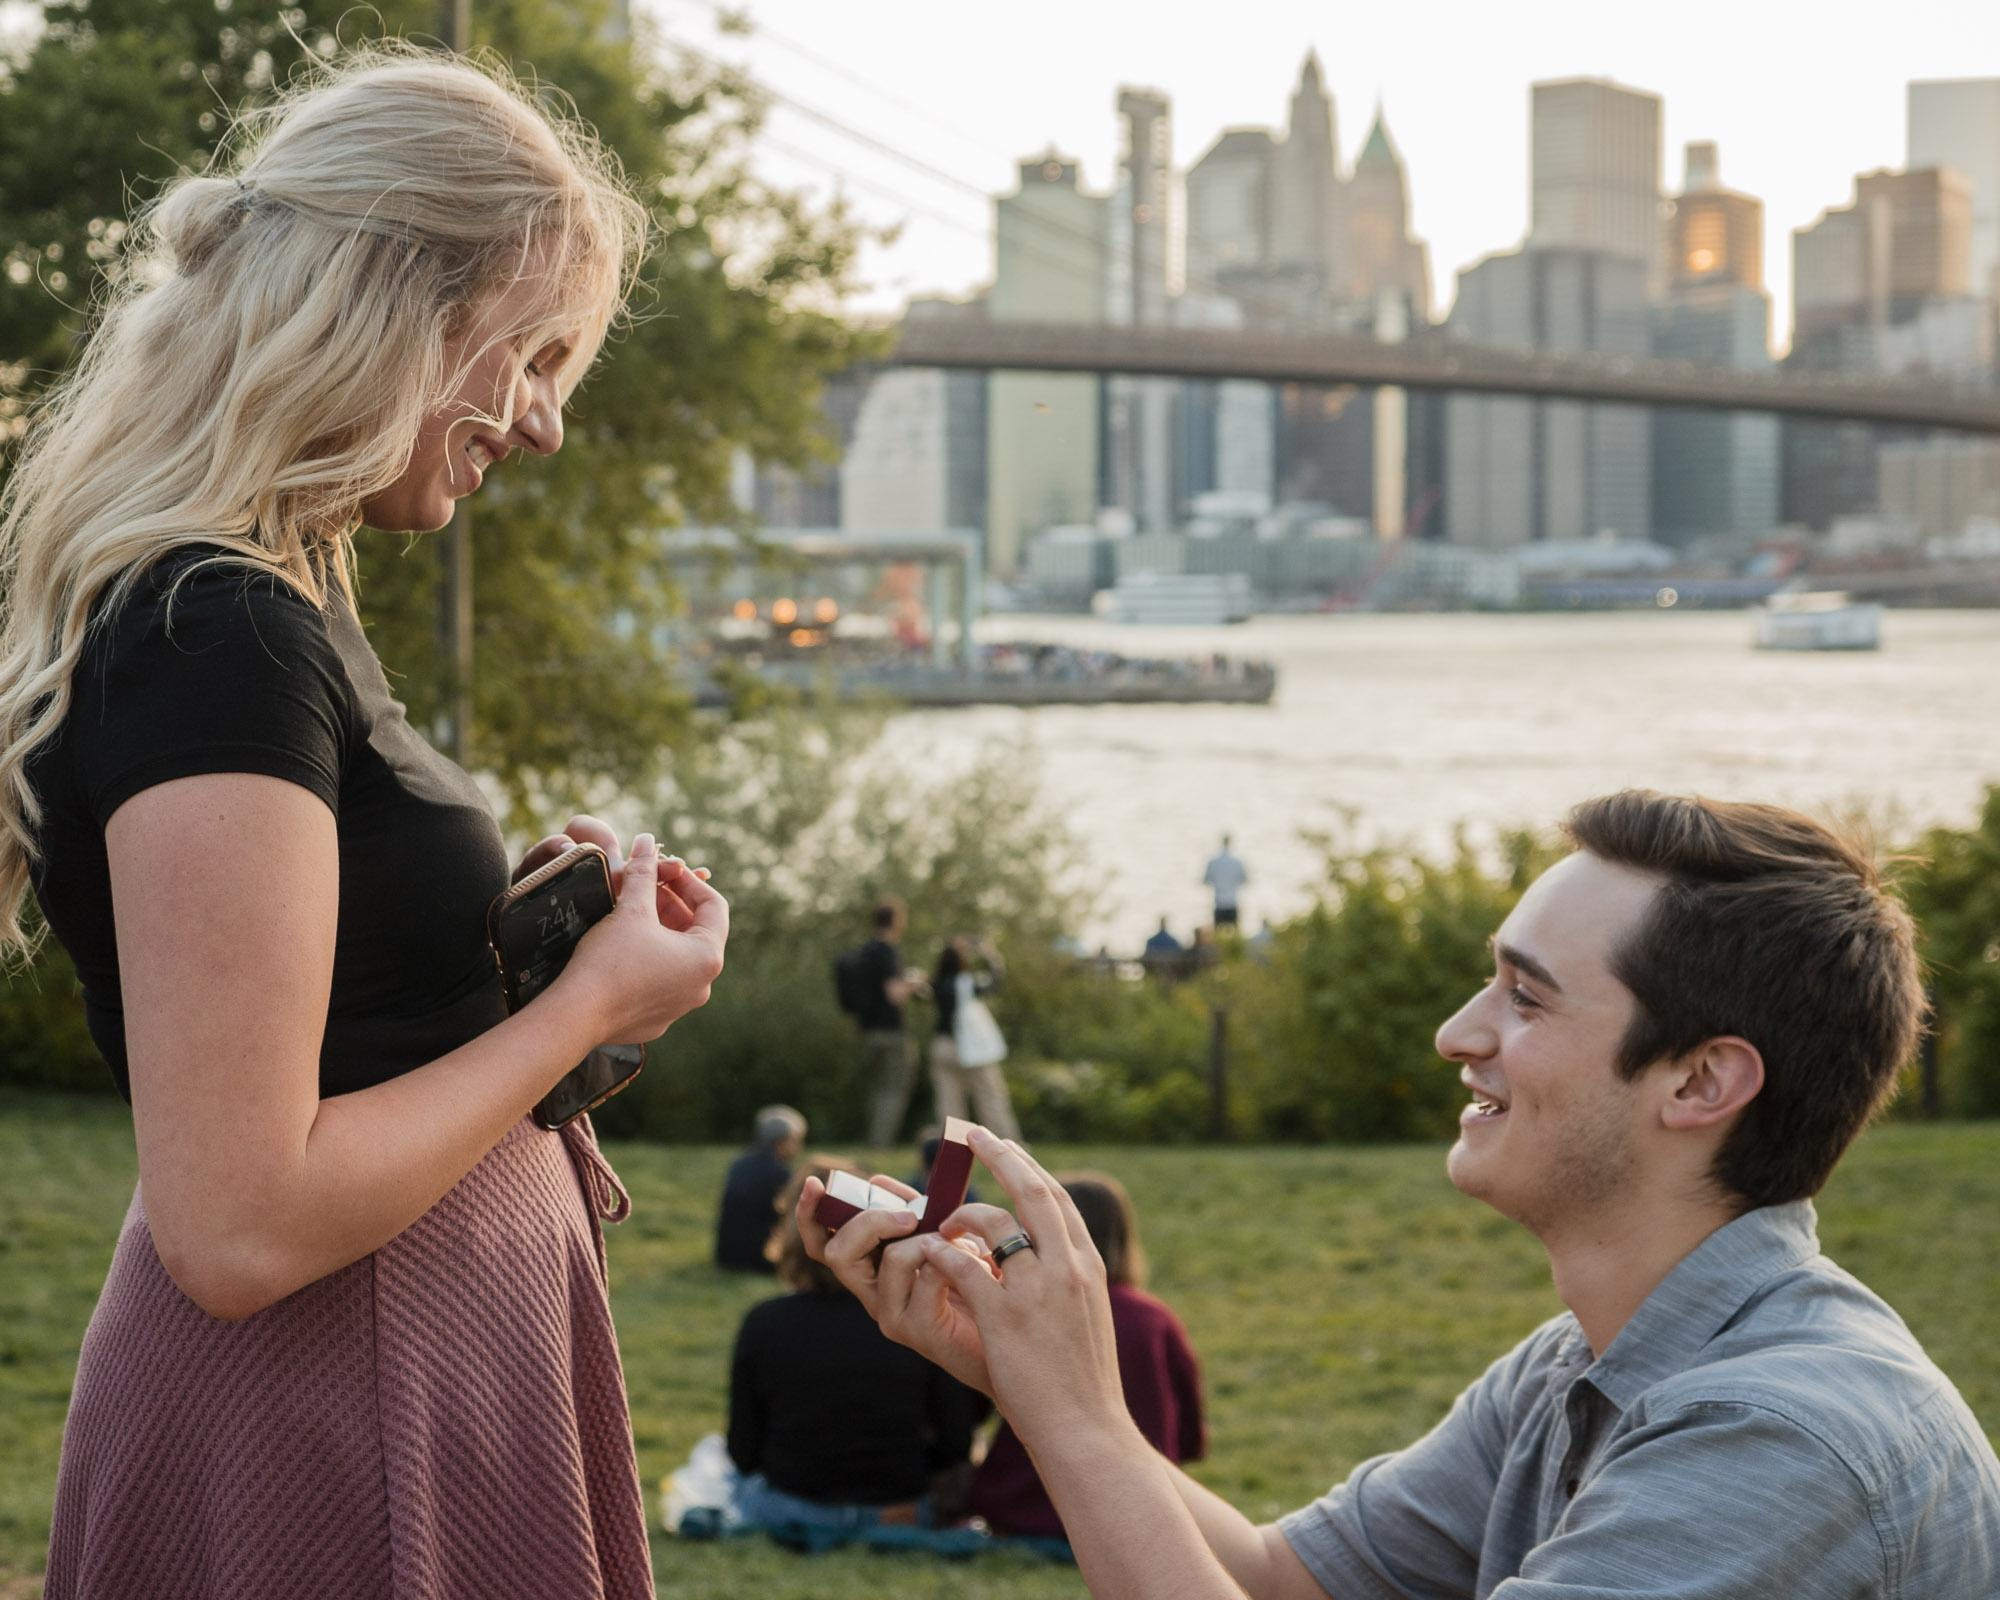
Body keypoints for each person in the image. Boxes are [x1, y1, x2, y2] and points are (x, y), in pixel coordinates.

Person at [3, 50, 730, 1600]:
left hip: (414, 1363)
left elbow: (344, 1034)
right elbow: (242, 1225)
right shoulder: (218, 632)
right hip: (334, 1408)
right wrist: (589, 1009)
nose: (540, 427)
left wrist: (521, 947)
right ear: (393, 302)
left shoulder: (285, 599)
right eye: (528, 358)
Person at [801, 791, 2000, 1599]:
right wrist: (1027, 1370)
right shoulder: (1578, 1368)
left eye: (1524, 1000)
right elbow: (1276, 1580)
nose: (1453, 1034)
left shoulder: (1774, 1443)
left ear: (1699, 1080)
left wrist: (1066, 1413)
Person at [725, 1159, 978, 1537]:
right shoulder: (917, 1322)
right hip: (898, 1509)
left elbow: (743, 1450)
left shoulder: (765, 1322)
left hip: (792, 1505)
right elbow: (956, 1442)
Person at [968, 1173, 1204, 1551]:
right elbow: (1189, 1427)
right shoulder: (1154, 1320)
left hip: (1021, 1507)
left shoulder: (1024, 1311)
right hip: (1138, 1511)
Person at [846, 898, 926, 1147]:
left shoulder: (864, 951)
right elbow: (895, 994)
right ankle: (881, 1143)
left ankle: (873, 1138)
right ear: (897, 921)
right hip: (891, 1032)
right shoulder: (887, 951)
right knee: (893, 1089)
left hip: (867, 1030)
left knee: (876, 1088)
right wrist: (915, 982)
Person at [929, 934, 1020, 1141]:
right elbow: (994, 982)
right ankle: (1006, 1141)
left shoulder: (937, 983)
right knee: (990, 1097)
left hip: (942, 1044)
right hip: (970, 1047)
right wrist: (992, 956)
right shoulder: (966, 983)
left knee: (949, 1103)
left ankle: (952, 1147)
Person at [714, 1105, 807, 1273]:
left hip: (726, 1256)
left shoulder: (739, 1164)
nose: (799, 1147)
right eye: (795, 1141)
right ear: (781, 1142)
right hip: (759, 1258)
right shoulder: (780, 1173)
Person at [1202, 834, 1248, 929]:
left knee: (1217, 936)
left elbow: (1205, 881)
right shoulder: (1237, 862)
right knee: (1235, 934)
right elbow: (1245, 880)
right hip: (1232, 902)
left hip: (1219, 902)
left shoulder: (1213, 862)